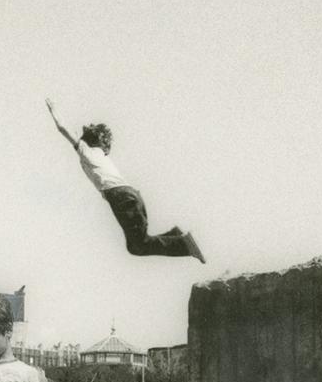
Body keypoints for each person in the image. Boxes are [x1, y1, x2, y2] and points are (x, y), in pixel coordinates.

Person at [44, 99, 205, 262]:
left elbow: (62, 128)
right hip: (132, 195)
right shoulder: (101, 155)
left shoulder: (87, 151)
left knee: (137, 246)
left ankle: (184, 243)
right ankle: (175, 236)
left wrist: (54, 111)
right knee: (138, 243)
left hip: (120, 198)